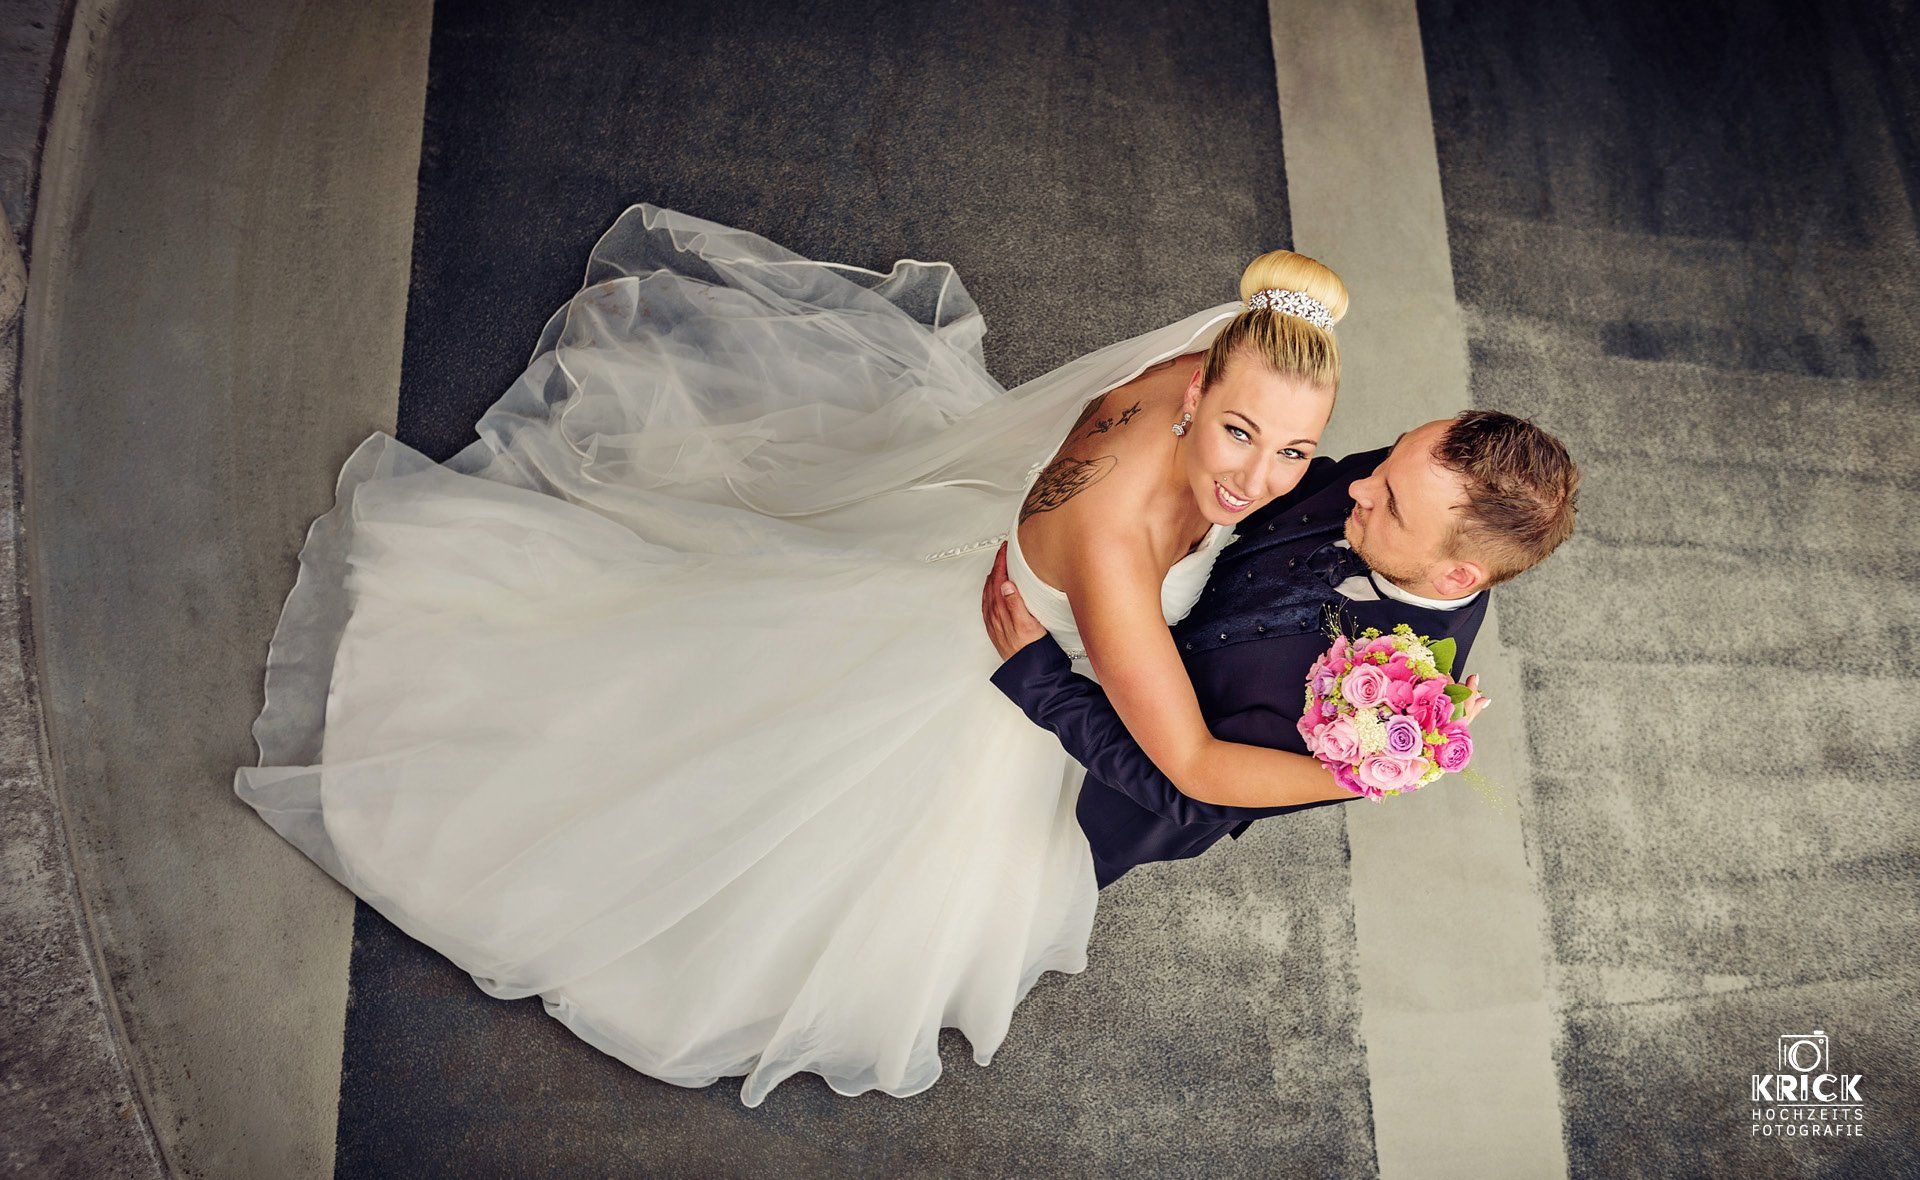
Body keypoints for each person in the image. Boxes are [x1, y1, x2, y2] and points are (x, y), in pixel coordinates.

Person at [232, 202, 1369, 1108]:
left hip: (976, 574)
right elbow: (1192, 765)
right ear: (1201, 390)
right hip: (985, 678)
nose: (1258, 478)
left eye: (1293, 451)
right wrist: (1365, 766)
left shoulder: (1178, 383)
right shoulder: (1120, 556)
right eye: (1241, 432)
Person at [982, 410, 1579, 887]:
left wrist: (1043, 681)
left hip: (1096, 768)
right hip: (1108, 601)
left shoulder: (1385, 716)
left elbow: (1182, 790)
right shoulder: (1393, 484)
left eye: (1390, 505)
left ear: (1456, 577)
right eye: (1389, 460)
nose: (1359, 486)